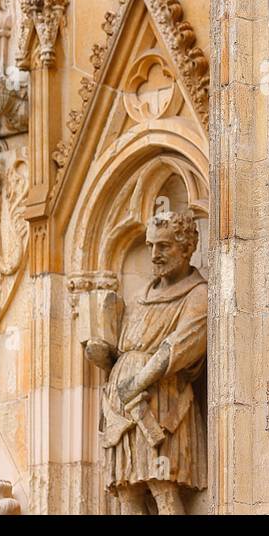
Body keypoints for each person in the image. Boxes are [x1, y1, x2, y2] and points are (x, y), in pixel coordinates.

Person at [83, 211, 206, 514]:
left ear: (187, 246)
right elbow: (127, 350)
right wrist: (106, 356)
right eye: (151, 246)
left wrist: (136, 382)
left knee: (162, 486)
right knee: (127, 490)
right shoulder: (139, 297)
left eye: (163, 246)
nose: (154, 255)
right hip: (121, 404)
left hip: (161, 402)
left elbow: (178, 348)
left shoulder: (198, 295)